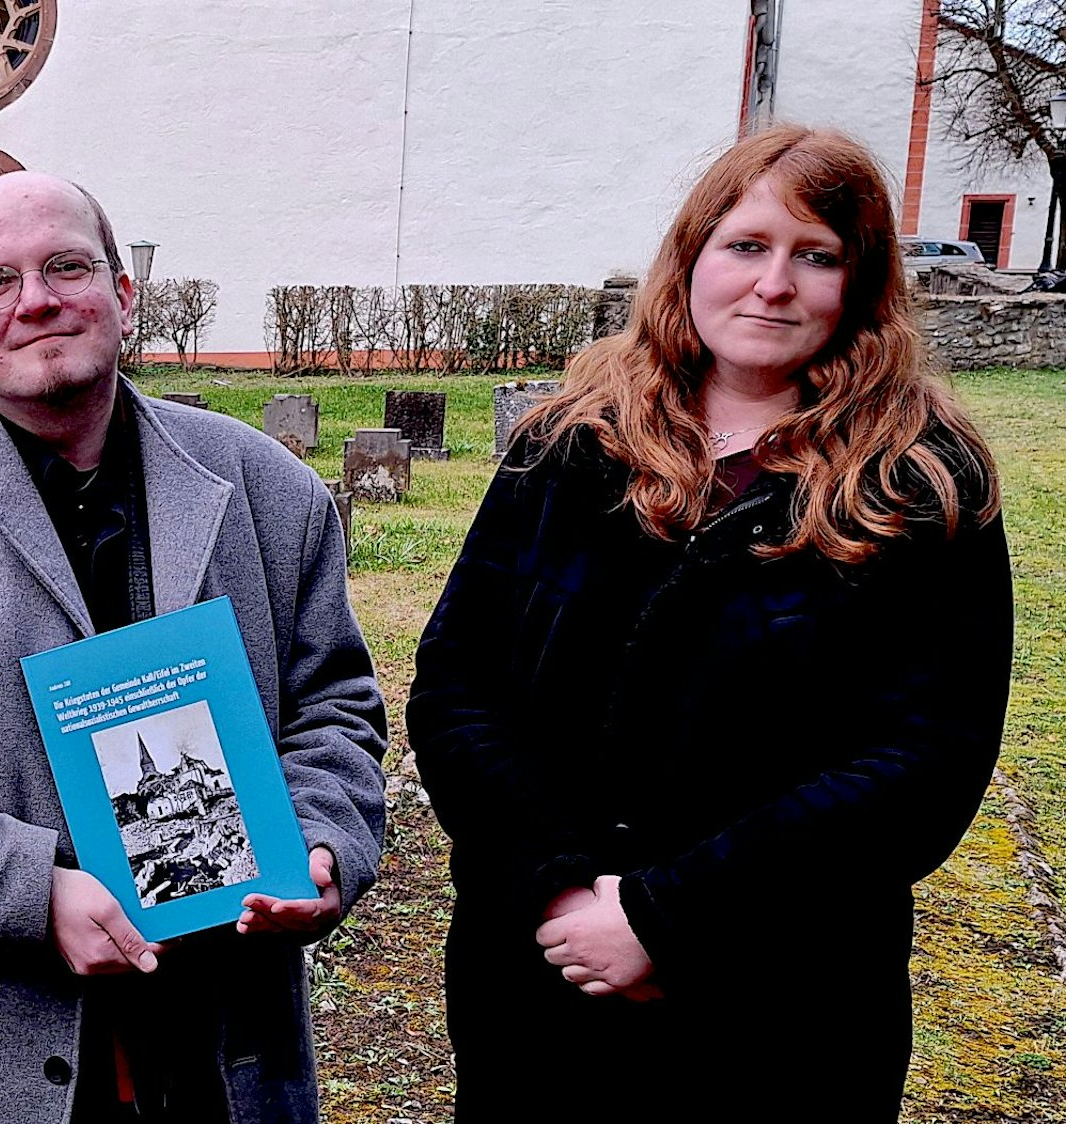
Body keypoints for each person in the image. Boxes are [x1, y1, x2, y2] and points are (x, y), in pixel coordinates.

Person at [0, 171, 388, 1124]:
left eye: (66, 266)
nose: (37, 300)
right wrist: (25, 890)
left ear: (124, 297)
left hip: (219, 1041)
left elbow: (333, 707)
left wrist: (322, 842)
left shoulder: (265, 488)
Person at [407, 124, 1013, 1121]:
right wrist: (564, 890)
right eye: (746, 245)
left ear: (858, 285)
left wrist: (664, 916)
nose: (773, 283)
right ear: (689, 258)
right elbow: (456, 682)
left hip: (781, 1006)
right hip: (541, 982)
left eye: (814, 255)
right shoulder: (569, 443)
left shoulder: (921, 482)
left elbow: (920, 759)